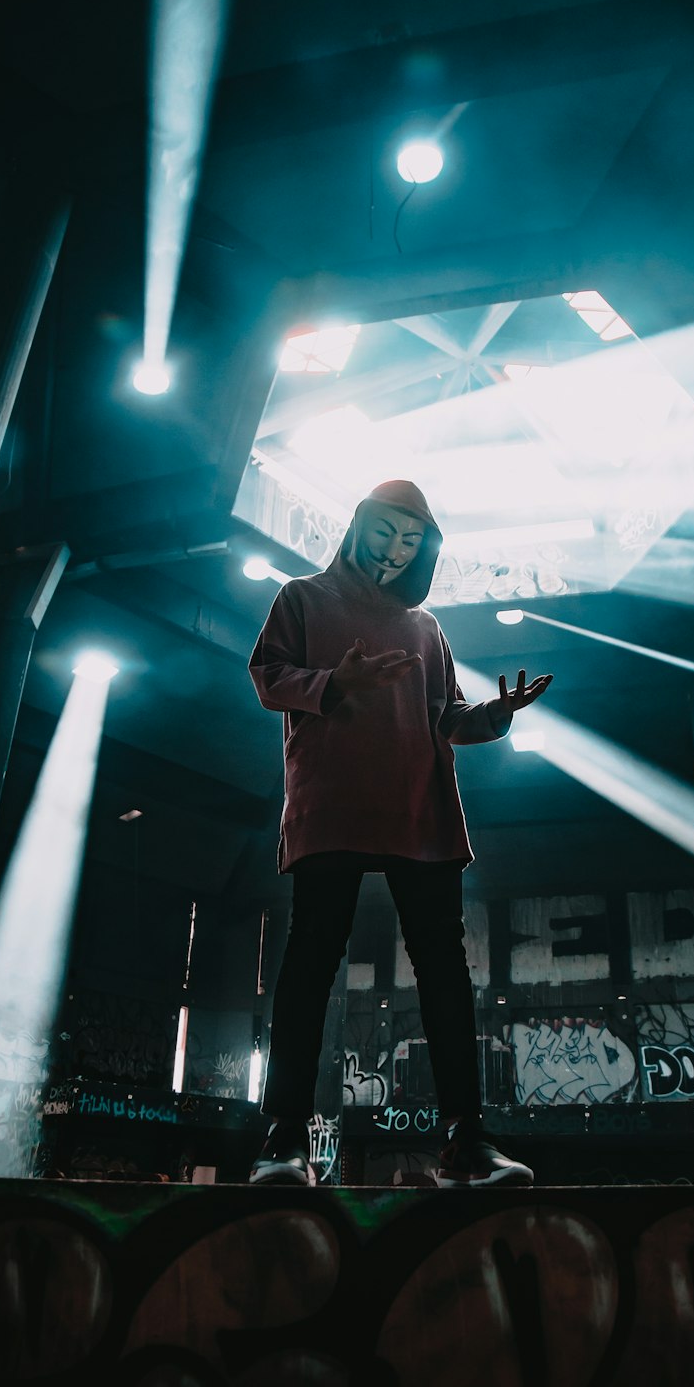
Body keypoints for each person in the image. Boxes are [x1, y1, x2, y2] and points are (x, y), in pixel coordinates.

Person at [247, 480, 552, 1186]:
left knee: (445, 969)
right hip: (333, 802)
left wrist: (492, 718)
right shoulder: (302, 598)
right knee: (312, 960)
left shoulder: (426, 628)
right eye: (386, 531)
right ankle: (285, 1138)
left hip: (420, 808)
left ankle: (467, 1141)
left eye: (411, 540)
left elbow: (445, 717)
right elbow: (267, 677)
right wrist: (333, 682)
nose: (395, 548)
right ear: (358, 527)